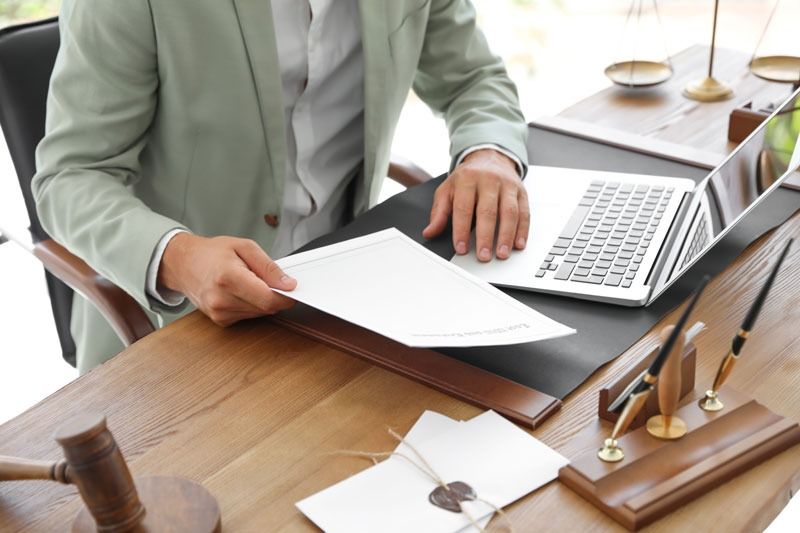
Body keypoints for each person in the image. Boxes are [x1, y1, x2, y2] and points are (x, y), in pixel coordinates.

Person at [33, 0, 530, 373]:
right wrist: (180, 258)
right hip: (179, 329)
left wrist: (489, 152)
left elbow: (473, 79)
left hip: (350, 300)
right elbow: (72, 175)